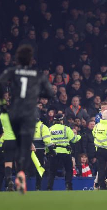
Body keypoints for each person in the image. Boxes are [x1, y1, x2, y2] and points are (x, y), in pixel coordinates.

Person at [0, 45, 53, 194]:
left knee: (12, 150)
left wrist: (3, 104)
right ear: (31, 60)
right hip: (28, 112)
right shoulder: (37, 74)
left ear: (17, 58)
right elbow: (49, 93)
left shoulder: (12, 71)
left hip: (15, 111)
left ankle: (11, 178)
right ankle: (21, 174)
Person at [47, 114, 81, 190]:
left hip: (54, 152)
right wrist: (80, 136)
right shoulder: (66, 128)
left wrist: (48, 151)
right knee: (68, 170)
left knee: (52, 171)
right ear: (62, 121)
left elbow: (47, 141)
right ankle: (68, 185)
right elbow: (74, 140)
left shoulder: (49, 129)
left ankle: (49, 187)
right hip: (65, 152)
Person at [33, 117, 52, 190]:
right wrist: (51, 150)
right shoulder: (43, 127)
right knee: (39, 168)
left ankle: (22, 186)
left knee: (26, 168)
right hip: (39, 150)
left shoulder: (27, 126)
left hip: (27, 150)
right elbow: (47, 140)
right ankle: (38, 186)